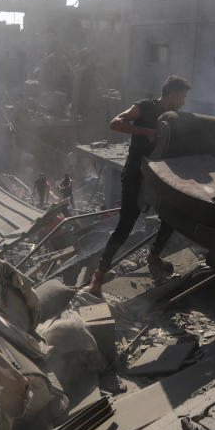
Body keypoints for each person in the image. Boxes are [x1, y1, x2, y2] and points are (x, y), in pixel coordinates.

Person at [89, 75, 192, 295]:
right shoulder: (145, 106)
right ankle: (99, 275)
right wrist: (144, 131)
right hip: (136, 176)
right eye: (182, 96)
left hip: (158, 178)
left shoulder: (174, 117)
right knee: (125, 226)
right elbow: (116, 123)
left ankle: (154, 255)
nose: (183, 101)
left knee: (172, 215)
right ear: (172, 94)